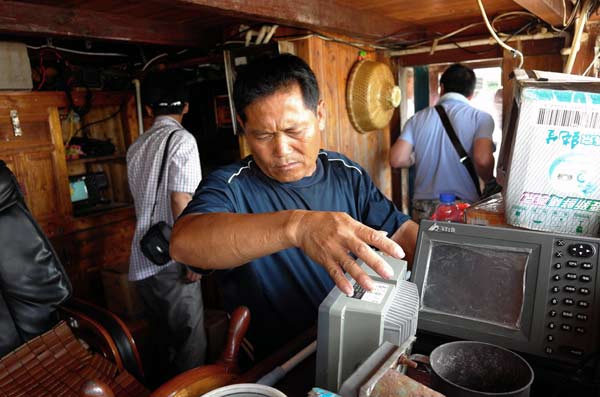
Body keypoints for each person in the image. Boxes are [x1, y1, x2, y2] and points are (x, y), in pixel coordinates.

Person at [170, 54, 418, 359]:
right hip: (279, 360)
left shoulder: (345, 173)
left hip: (356, 341)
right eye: (262, 135)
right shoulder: (231, 186)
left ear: (321, 114)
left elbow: (403, 232)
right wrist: (298, 227)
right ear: (242, 127)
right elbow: (183, 243)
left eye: (294, 131)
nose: (282, 150)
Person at [126, 70, 205, 383]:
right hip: (172, 258)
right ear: (185, 107)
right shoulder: (182, 140)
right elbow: (181, 201)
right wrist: (194, 256)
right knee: (191, 341)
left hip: (143, 256)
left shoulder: (136, 146)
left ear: (148, 109)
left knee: (162, 340)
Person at [389, 63, 496, 222]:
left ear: (442, 87)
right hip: (463, 206)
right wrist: (489, 182)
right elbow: (482, 159)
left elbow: (397, 159)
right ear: (471, 94)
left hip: (423, 206)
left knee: (424, 247)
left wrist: (414, 157)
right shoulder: (481, 118)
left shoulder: (417, 118)